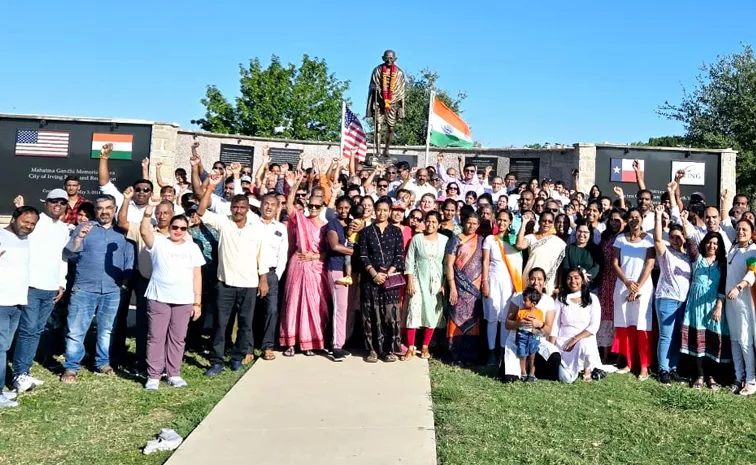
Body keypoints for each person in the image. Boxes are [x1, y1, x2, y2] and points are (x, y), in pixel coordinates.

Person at [198, 174, 269, 376]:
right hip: (226, 283)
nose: (238, 211)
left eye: (242, 207)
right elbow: (202, 212)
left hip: (248, 284)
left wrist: (263, 279)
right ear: (231, 208)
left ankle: (237, 358)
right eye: (235, 207)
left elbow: (262, 256)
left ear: (248, 209)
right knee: (221, 324)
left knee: (246, 324)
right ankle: (216, 362)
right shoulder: (224, 222)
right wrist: (210, 188)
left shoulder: (257, 229)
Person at [61, 195, 134, 383]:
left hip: (112, 290)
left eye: (108, 207)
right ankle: (71, 367)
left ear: (115, 209)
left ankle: (102, 362)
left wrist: (125, 283)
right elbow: (68, 254)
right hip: (84, 287)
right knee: (76, 329)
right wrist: (78, 238)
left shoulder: (123, 233)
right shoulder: (84, 228)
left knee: (107, 330)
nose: (104, 211)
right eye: (100, 208)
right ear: (96, 209)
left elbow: (129, 260)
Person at [139, 201, 205, 390]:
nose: (178, 231)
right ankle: (153, 375)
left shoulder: (192, 247)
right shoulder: (159, 242)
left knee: (177, 338)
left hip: (184, 300)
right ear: (169, 227)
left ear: (186, 229)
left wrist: (197, 303)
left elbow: (196, 275)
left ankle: (174, 373)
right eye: (174, 227)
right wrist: (147, 213)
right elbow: (144, 232)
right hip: (159, 296)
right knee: (156, 337)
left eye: (182, 228)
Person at [10, 190, 69, 393]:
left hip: (51, 288)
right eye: (54, 201)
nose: (58, 205)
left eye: (62, 202)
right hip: (31, 285)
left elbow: (63, 258)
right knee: (27, 330)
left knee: (35, 331)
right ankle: (19, 374)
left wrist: (61, 283)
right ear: (47, 203)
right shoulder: (36, 222)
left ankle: (24, 371)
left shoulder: (64, 229)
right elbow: (19, 237)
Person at [280, 172, 329, 357]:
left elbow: (328, 250)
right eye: (311, 205)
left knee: (314, 304)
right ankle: (291, 342)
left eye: (317, 206)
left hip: (316, 267)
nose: (313, 208)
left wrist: (315, 256)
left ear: (322, 206)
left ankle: (310, 342)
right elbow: (289, 204)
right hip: (298, 263)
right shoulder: (301, 220)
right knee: (293, 302)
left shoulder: (326, 225)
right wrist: (296, 183)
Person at [0, 206, 40, 408]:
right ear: (14, 218)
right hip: (1, 302)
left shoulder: (25, 240)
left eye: (33, 224)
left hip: (16, 302)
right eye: (25, 221)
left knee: (4, 347)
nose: (29, 226)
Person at [680, 231, 730, 390]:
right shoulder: (697, 259)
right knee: (697, 341)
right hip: (696, 307)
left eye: (715, 243)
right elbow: (690, 243)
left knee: (713, 341)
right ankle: (699, 376)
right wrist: (683, 220)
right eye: (709, 242)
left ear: (720, 246)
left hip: (714, 306)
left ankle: (711, 377)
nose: (712, 246)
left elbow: (722, 287)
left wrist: (719, 306)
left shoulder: (722, 264)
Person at [358, 198, 405, 362]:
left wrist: (386, 274)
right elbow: (362, 256)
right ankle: (372, 350)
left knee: (390, 315)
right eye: (379, 209)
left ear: (390, 211)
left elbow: (399, 256)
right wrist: (374, 274)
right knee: (371, 314)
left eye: (385, 210)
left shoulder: (396, 231)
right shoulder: (366, 232)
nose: (382, 213)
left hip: (390, 281)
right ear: (374, 210)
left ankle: (389, 349)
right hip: (370, 280)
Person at [612, 208, 656, 380]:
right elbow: (616, 264)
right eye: (631, 217)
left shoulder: (649, 239)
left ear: (641, 220)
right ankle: (628, 362)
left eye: (637, 217)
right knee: (625, 324)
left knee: (642, 325)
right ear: (627, 220)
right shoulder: (620, 239)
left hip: (643, 286)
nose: (634, 220)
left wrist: (637, 286)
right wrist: (627, 283)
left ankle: (644, 366)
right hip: (623, 284)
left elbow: (649, 264)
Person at [652, 204, 691, 384]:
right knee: (666, 335)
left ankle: (673, 368)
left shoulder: (688, 256)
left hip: (683, 301)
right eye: (672, 237)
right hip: (666, 298)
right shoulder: (666, 253)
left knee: (677, 336)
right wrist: (658, 216)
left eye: (678, 236)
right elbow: (658, 239)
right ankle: (663, 370)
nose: (675, 240)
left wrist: (684, 222)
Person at [402, 211, 448, 361]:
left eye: (434, 222)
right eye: (428, 221)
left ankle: (425, 346)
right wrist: (410, 281)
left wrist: (444, 283)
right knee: (413, 311)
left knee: (432, 313)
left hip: (435, 283)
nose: (430, 224)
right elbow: (409, 261)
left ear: (439, 225)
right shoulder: (417, 239)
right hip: (417, 280)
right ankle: (410, 347)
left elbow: (447, 264)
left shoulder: (444, 240)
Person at [481, 209, 523, 366]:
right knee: (492, 316)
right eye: (499, 219)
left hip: (510, 284)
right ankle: (491, 353)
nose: (502, 223)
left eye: (505, 220)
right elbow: (485, 261)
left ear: (510, 222)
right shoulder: (490, 239)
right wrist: (485, 282)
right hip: (492, 280)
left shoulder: (513, 241)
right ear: (495, 220)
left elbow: (518, 263)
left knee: (506, 317)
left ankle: (502, 353)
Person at [501, 268, 558, 381]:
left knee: (555, 358)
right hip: (518, 340)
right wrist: (519, 323)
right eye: (532, 279)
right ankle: (521, 369)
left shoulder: (548, 301)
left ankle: (533, 371)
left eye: (539, 279)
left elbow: (548, 330)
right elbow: (507, 324)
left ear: (544, 282)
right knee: (509, 378)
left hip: (537, 340)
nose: (536, 282)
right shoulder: (519, 297)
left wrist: (540, 324)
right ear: (528, 281)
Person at [550, 267, 602, 383]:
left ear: (582, 280)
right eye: (569, 278)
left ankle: (587, 371)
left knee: (585, 343)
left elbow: (594, 326)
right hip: (563, 343)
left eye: (576, 278)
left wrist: (575, 339)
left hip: (583, 340)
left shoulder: (592, 299)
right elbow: (555, 325)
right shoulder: (561, 298)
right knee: (566, 379)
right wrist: (552, 347)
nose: (573, 281)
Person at [445, 213, 484, 364]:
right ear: (463, 222)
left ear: (478, 225)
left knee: (473, 321)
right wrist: (452, 287)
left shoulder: (481, 241)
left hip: (475, 290)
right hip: (458, 287)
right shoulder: (455, 239)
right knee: (455, 319)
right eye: (469, 223)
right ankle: (454, 355)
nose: (471, 226)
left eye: (475, 223)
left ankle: (469, 356)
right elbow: (449, 264)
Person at [256, 194, 289, 361]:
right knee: (249, 312)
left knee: (271, 311)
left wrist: (276, 275)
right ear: (261, 205)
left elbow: (282, 255)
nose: (269, 207)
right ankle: (247, 348)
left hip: (271, 274)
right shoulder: (252, 224)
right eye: (266, 204)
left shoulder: (281, 228)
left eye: (272, 205)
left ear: (278, 208)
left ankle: (267, 346)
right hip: (251, 273)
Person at [725, 218, 756, 395]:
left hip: (744, 302)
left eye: (745, 229)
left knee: (745, 341)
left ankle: (751, 380)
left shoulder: (753, 250)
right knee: (735, 340)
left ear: (752, 232)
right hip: (731, 303)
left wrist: (739, 287)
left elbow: (753, 273)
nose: (740, 232)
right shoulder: (733, 249)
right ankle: (738, 377)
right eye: (738, 229)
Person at [326, 196, 356, 361]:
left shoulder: (351, 223)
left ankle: (339, 343)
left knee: (345, 308)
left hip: (348, 271)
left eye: (347, 207)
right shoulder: (333, 224)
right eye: (341, 208)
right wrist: (354, 252)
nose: (344, 211)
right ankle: (336, 346)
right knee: (339, 307)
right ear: (336, 208)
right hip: (336, 269)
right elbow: (334, 245)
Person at [366, 49, 406, 157]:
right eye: (387, 58)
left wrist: (402, 108)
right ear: (383, 58)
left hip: (393, 104)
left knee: (391, 127)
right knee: (378, 127)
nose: (389, 60)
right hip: (379, 102)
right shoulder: (377, 70)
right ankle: (378, 151)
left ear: (395, 59)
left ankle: (386, 150)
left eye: (391, 58)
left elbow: (402, 91)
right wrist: (376, 88)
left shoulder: (399, 73)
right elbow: (371, 85)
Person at [596, 209, 625, 360]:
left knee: (619, 315)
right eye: (611, 219)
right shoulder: (604, 236)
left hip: (620, 280)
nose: (614, 222)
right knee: (605, 314)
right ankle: (605, 353)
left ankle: (620, 354)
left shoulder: (626, 237)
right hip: (605, 280)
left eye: (617, 220)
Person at [516, 211, 567, 294]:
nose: (546, 223)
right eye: (544, 220)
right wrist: (524, 223)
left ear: (552, 224)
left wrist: (559, 285)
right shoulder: (531, 237)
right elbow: (519, 245)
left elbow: (561, 266)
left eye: (550, 221)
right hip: (530, 278)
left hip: (548, 281)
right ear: (539, 222)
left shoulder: (559, 242)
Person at [509, 287, 544, 382]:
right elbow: (517, 323)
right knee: (522, 355)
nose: (523, 302)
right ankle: (523, 372)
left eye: (525, 300)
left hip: (533, 337)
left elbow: (541, 326)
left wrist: (536, 329)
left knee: (533, 356)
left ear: (534, 303)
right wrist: (520, 322)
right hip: (522, 336)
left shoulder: (539, 313)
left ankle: (532, 373)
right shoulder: (521, 312)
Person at [558, 220, 600, 292]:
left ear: (590, 234)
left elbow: (597, 267)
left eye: (585, 232)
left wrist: (584, 278)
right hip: (571, 286)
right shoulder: (568, 248)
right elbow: (565, 267)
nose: (581, 234)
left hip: (590, 288)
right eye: (579, 231)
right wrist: (580, 272)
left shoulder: (596, 249)